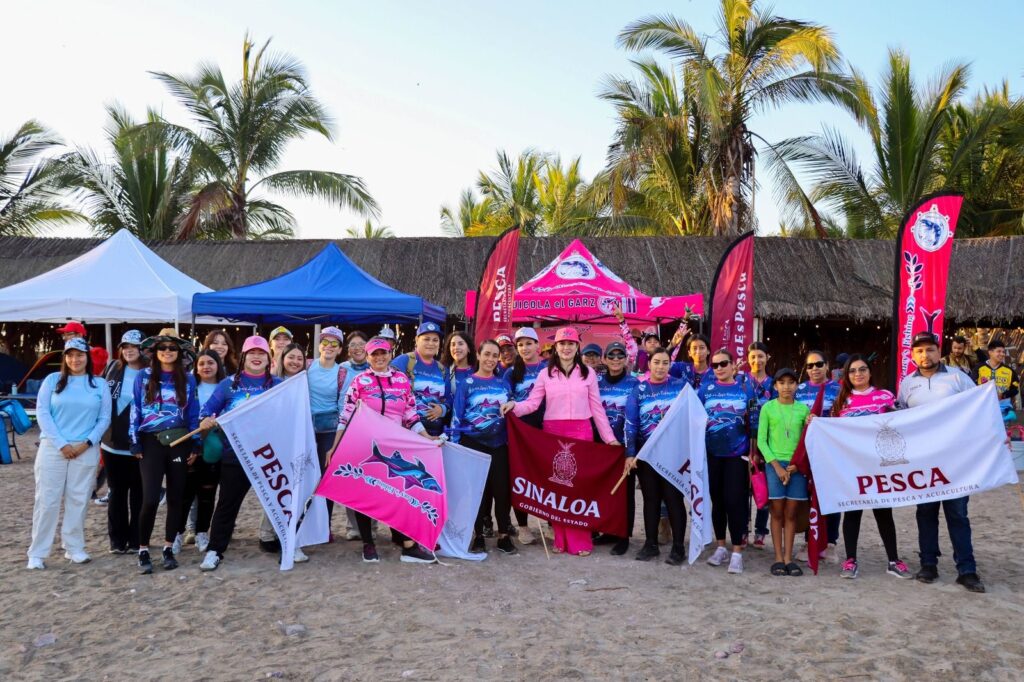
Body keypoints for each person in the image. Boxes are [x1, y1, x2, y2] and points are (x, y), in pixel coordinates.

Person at [504, 327, 621, 557]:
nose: (566, 348)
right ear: (555, 348)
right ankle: (560, 539)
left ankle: (580, 541)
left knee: (579, 488)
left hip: (581, 432)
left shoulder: (588, 373)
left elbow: (597, 409)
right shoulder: (545, 374)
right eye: (562, 344)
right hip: (553, 432)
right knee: (558, 487)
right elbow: (532, 404)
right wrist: (514, 407)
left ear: (577, 347)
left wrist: (610, 439)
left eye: (571, 343)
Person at [331, 338, 438, 564]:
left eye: (383, 353)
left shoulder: (401, 380)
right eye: (374, 354)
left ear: (390, 354)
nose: (379, 357)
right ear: (367, 357)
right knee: (365, 494)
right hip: (364, 443)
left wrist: (428, 438)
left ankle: (406, 544)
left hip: (395, 447)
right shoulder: (360, 381)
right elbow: (346, 414)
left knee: (397, 495)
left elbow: (411, 415)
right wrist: (335, 446)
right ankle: (368, 544)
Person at [198, 336, 297, 572]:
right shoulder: (228, 384)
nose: (256, 357)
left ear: (269, 358)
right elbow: (206, 411)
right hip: (236, 455)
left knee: (280, 502)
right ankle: (215, 549)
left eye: (261, 353)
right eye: (251, 353)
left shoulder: (279, 385)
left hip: (269, 456)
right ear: (243, 357)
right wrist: (206, 420)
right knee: (227, 505)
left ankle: (287, 545)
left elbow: (291, 416)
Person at [897, 332, 985, 592]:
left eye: (930, 349)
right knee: (925, 513)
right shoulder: (906, 384)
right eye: (920, 351)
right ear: (913, 355)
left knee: (958, 514)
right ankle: (928, 565)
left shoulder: (958, 378)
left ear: (939, 351)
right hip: (922, 463)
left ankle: (967, 570)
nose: (925, 355)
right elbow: (901, 418)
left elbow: (979, 409)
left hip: (956, 461)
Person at [27, 339, 112, 569]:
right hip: (53, 448)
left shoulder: (99, 385)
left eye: (80, 355)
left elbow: (104, 418)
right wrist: (61, 444)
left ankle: (74, 547)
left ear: (87, 356)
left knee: (79, 499)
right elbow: (43, 413)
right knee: (47, 500)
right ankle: (37, 552)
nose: (75, 360)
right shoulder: (52, 380)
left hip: (86, 448)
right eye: (70, 355)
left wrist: (87, 442)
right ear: (65, 358)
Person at [828, 354, 912, 580]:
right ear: (847, 375)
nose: (858, 374)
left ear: (870, 371)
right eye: (853, 371)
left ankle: (893, 560)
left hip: (880, 466)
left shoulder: (885, 396)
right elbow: (832, 431)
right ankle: (850, 560)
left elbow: (901, 423)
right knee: (852, 513)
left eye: (862, 369)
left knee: (884, 513)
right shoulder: (841, 401)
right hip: (853, 466)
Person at [131, 329, 201, 574]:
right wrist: (135, 441)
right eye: (163, 348)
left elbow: (194, 412)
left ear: (179, 352)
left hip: (180, 440)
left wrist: (196, 443)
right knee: (150, 499)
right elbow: (136, 409)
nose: (168, 352)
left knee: (176, 498)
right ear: (155, 352)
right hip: (150, 441)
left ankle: (168, 547)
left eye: (172, 348)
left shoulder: (189, 379)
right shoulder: (143, 376)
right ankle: (142, 549)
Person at [451, 340, 516, 554]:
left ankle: (504, 535)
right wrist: (455, 447)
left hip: (499, 445)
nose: (490, 359)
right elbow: (456, 417)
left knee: (502, 491)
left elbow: (512, 414)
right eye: (486, 354)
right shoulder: (467, 383)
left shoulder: (503, 384)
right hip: (473, 444)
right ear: (478, 355)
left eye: (494, 355)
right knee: (475, 492)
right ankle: (478, 535)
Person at [623, 347, 686, 564]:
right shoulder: (639, 390)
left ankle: (678, 547)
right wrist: (630, 453)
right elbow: (631, 423)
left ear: (670, 365)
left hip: (673, 454)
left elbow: (692, 418)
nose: (660, 367)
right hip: (647, 455)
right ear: (649, 364)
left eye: (665, 363)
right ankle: (650, 544)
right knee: (650, 500)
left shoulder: (680, 387)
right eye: (656, 362)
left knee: (674, 500)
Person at [700, 349, 755, 574]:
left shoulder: (745, 388)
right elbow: (690, 413)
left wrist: (754, 452)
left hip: (737, 456)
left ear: (734, 365)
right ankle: (721, 546)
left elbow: (754, 421)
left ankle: (737, 552)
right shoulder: (705, 390)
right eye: (715, 365)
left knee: (735, 502)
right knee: (718, 502)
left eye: (724, 364)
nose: (719, 368)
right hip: (712, 455)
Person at [757, 368, 809, 576]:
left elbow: (807, 440)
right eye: (782, 382)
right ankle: (778, 557)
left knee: (792, 512)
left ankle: (789, 557)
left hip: (797, 466)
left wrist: (797, 464)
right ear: (775, 385)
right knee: (777, 511)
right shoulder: (768, 408)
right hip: (774, 464)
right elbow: (762, 440)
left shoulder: (804, 410)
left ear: (797, 385)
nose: (786, 387)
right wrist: (777, 466)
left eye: (791, 382)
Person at [101, 330, 148, 554]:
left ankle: (137, 540)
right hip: (111, 444)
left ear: (142, 349)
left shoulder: (152, 372)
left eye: (134, 346)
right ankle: (117, 541)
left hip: (141, 445)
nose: (129, 350)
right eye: (125, 346)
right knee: (116, 494)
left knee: (139, 494)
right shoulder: (114, 368)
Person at [794, 350, 841, 562]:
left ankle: (831, 543)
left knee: (831, 496)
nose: (814, 369)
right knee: (808, 496)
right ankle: (808, 540)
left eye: (819, 364)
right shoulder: (799, 390)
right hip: (807, 450)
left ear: (827, 366)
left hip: (831, 450)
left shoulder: (839, 389)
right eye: (810, 365)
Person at [596, 341, 640, 555]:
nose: (615, 360)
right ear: (604, 359)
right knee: (605, 490)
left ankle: (624, 536)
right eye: (611, 356)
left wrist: (630, 451)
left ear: (626, 359)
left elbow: (633, 418)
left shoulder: (634, 384)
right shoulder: (596, 382)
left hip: (624, 445)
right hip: (601, 446)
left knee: (625, 493)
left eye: (619, 356)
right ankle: (608, 530)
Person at [503, 327, 545, 545]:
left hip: (545, 431)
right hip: (520, 433)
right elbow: (506, 399)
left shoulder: (548, 368)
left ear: (538, 345)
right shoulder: (511, 372)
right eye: (520, 344)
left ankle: (551, 521)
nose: (525, 348)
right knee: (521, 478)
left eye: (529, 343)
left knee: (546, 478)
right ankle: (523, 526)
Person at [180, 350, 225, 555]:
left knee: (207, 493)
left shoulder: (225, 388)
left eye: (211, 363)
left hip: (214, 447)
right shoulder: (189, 387)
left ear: (218, 365)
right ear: (195, 367)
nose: (206, 367)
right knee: (185, 493)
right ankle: (176, 534)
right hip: (190, 446)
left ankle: (201, 532)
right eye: (202, 363)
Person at [307, 327, 348, 532]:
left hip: (329, 427)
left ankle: (324, 527)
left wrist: (337, 441)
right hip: (305, 425)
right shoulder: (306, 366)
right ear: (319, 345)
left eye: (334, 344)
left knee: (325, 478)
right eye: (325, 342)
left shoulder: (342, 372)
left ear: (340, 349)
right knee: (304, 475)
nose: (329, 347)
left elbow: (343, 407)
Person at [339, 330, 370, 540]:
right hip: (347, 429)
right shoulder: (341, 369)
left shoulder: (376, 366)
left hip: (371, 431)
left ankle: (371, 527)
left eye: (361, 344)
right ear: (347, 350)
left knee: (371, 480)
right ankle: (353, 527)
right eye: (353, 345)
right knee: (352, 480)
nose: (357, 348)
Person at [393, 322, 448, 437]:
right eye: (426, 339)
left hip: (434, 435)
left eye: (435, 340)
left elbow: (449, 398)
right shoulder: (403, 361)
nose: (431, 344)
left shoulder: (442, 369)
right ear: (417, 340)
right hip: (406, 433)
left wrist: (442, 409)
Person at [745, 342, 776, 549]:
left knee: (763, 487)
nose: (757, 361)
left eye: (761, 356)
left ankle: (760, 531)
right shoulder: (741, 381)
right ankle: (743, 529)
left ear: (767, 358)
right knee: (743, 489)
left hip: (767, 441)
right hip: (744, 440)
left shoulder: (774, 384)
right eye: (753, 357)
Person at [973, 338, 1019, 424]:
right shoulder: (979, 368)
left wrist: (1003, 395)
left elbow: (1015, 389)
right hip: (982, 409)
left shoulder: (1009, 371)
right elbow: (972, 386)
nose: (1002, 354)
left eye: (1003, 352)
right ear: (990, 352)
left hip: (1002, 412)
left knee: (1002, 436)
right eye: (999, 351)